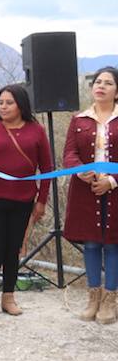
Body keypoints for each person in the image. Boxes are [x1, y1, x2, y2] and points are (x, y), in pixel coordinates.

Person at [0, 84, 52, 318]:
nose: (4, 106)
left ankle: (9, 297)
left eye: (9, 102)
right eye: (1, 102)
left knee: (13, 250)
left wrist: (41, 201)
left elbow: (46, 168)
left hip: (24, 199)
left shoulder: (36, 131)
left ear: (21, 105)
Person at [63, 66, 118, 324]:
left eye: (108, 82)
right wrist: (80, 171)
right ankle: (92, 298)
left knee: (113, 244)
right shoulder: (79, 119)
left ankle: (109, 301)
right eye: (98, 81)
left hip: (115, 190)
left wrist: (112, 180)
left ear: (116, 91)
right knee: (92, 243)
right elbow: (69, 154)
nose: (101, 86)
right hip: (86, 190)